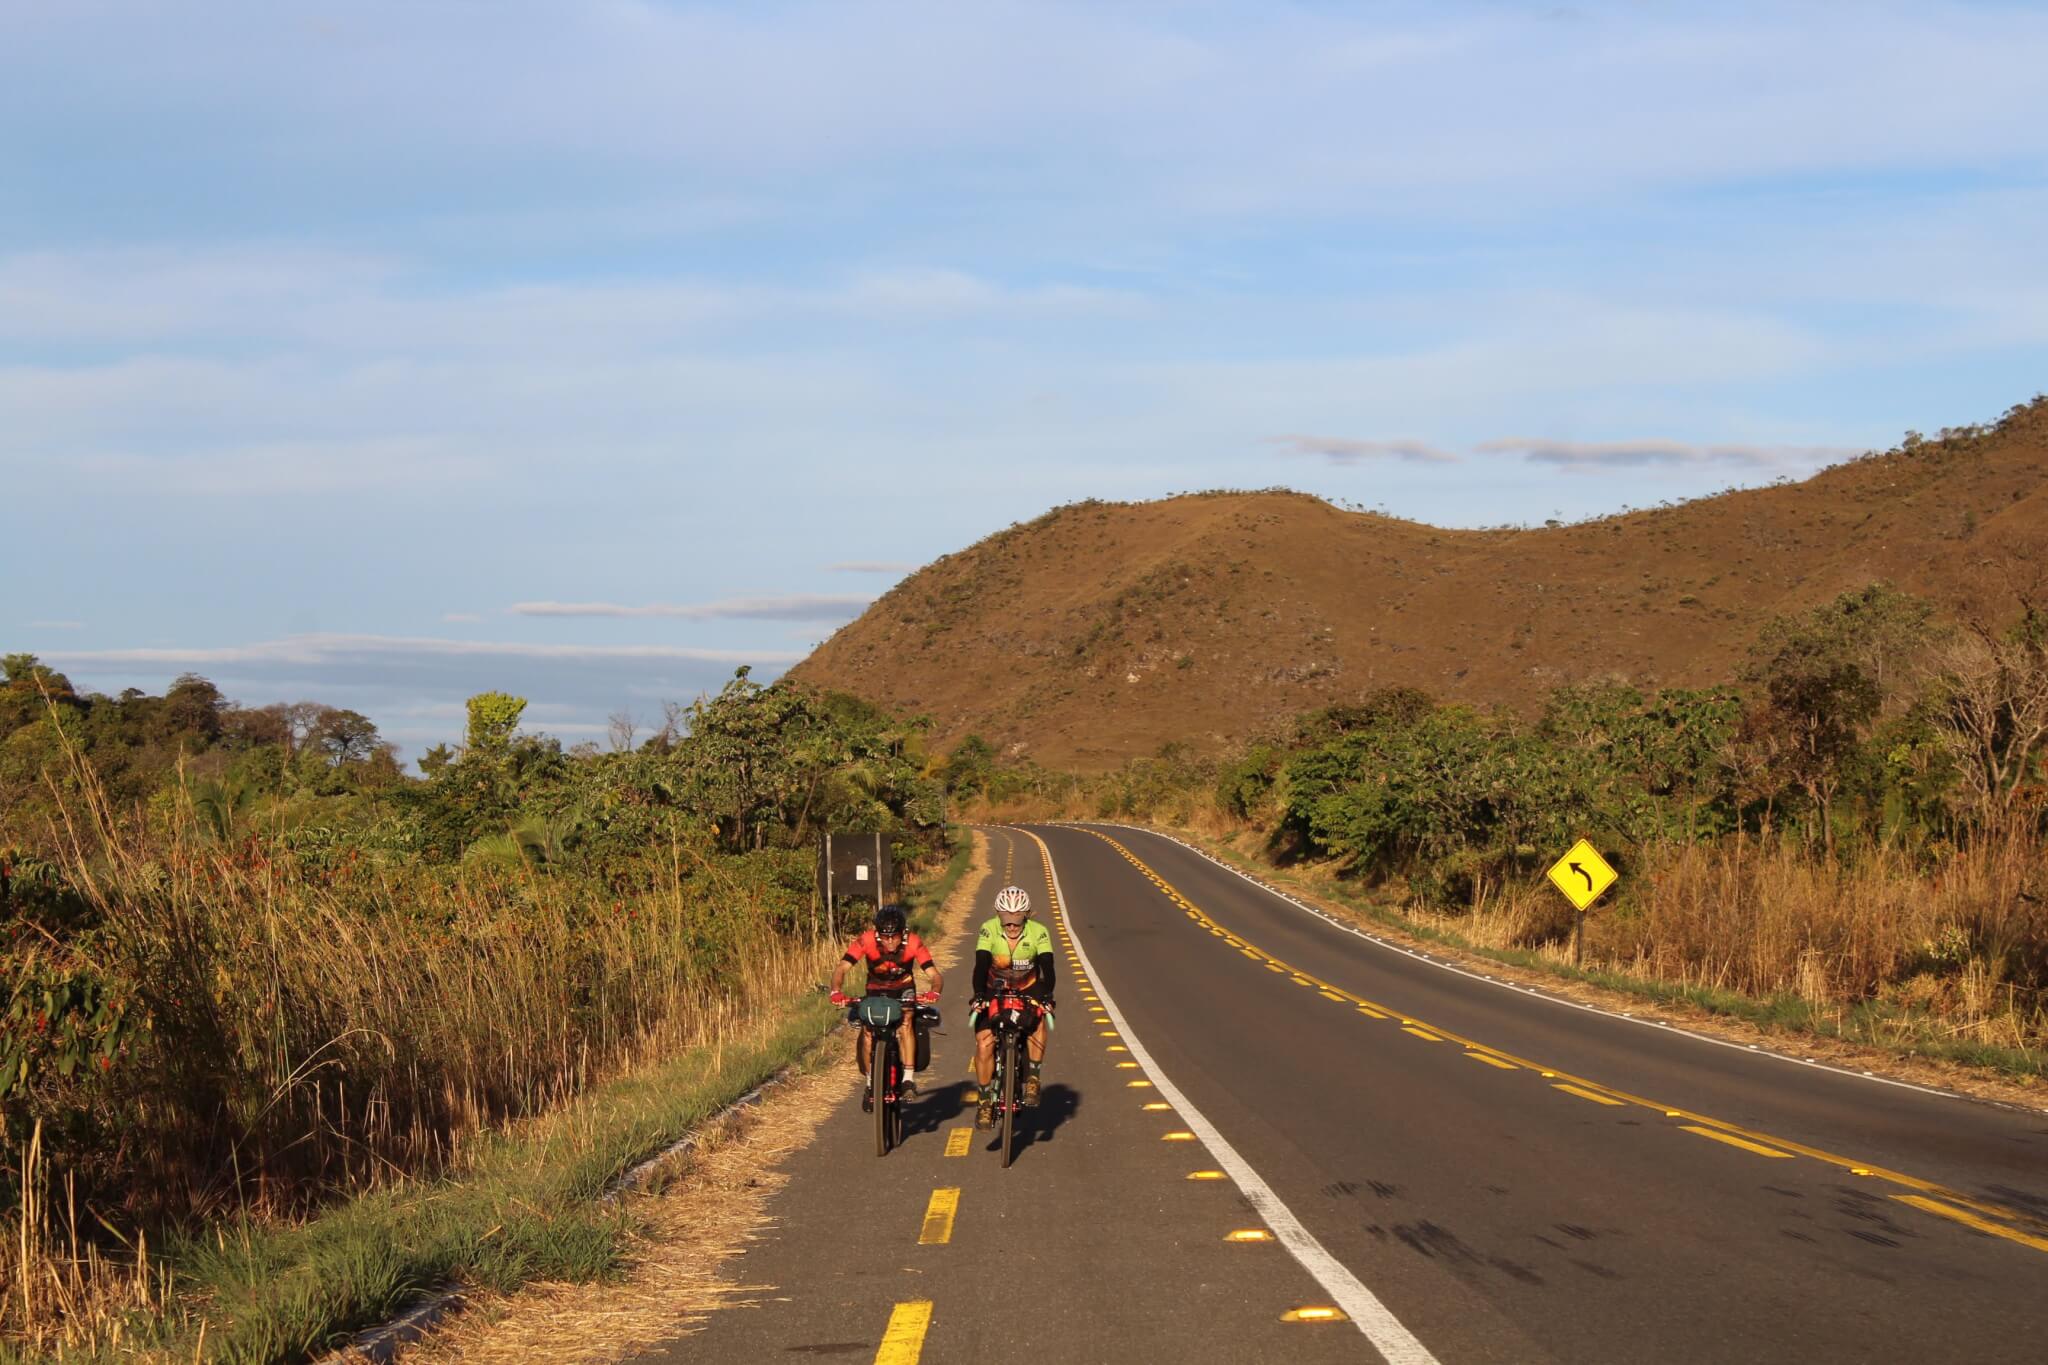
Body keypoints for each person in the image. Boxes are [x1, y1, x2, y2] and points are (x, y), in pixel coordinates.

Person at [829, 904, 942, 1111]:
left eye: (894, 936)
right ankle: (871, 1082)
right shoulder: (867, 940)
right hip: (875, 989)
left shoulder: (914, 942)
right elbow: (842, 967)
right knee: (868, 1030)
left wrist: (934, 991)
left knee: (907, 1021)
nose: (889, 941)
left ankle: (908, 1079)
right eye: (884, 936)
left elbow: (934, 974)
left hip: (904, 989)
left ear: (903, 933)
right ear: (877, 933)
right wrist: (836, 990)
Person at [970, 883, 1055, 1128]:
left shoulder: (1039, 932)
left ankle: (1033, 1079)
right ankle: (985, 1101)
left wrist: (1046, 994)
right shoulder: (988, 929)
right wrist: (979, 994)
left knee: (1039, 1018)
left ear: (1026, 916)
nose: (1011, 926)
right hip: (993, 988)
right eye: (1006, 920)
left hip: (1028, 987)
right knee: (984, 1043)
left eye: (1017, 920)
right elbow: (981, 964)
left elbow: (1047, 967)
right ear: (999, 916)